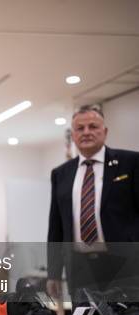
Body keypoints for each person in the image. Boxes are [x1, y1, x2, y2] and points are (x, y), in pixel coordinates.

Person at [47, 105, 139, 301]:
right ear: (73, 135)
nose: (86, 132)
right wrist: (53, 273)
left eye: (93, 126)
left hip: (126, 267)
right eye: (80, 128)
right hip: (80, 270)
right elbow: (56, 227)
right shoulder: (61, 173)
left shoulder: (131, 163)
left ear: (104, 131)